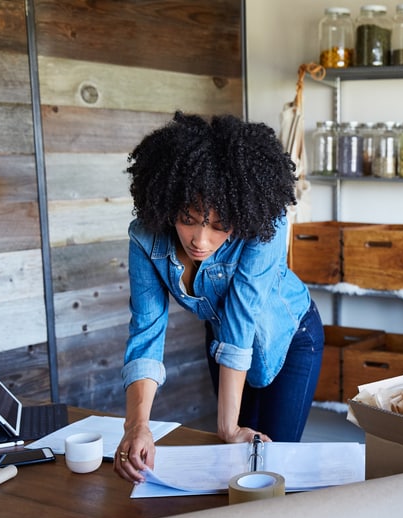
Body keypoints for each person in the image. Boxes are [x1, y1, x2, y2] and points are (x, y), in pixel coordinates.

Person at [114, 112, 324, 484]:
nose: (200, 240)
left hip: (291, 339)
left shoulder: (265, 226)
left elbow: (244, 318)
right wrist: (137, 426)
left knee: (272, 469)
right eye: (188, 218)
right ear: (168, 203)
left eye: (218, 226)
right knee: (234, 466)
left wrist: (229, 426)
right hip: (223, 340)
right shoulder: (145, 239)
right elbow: (147, 331)